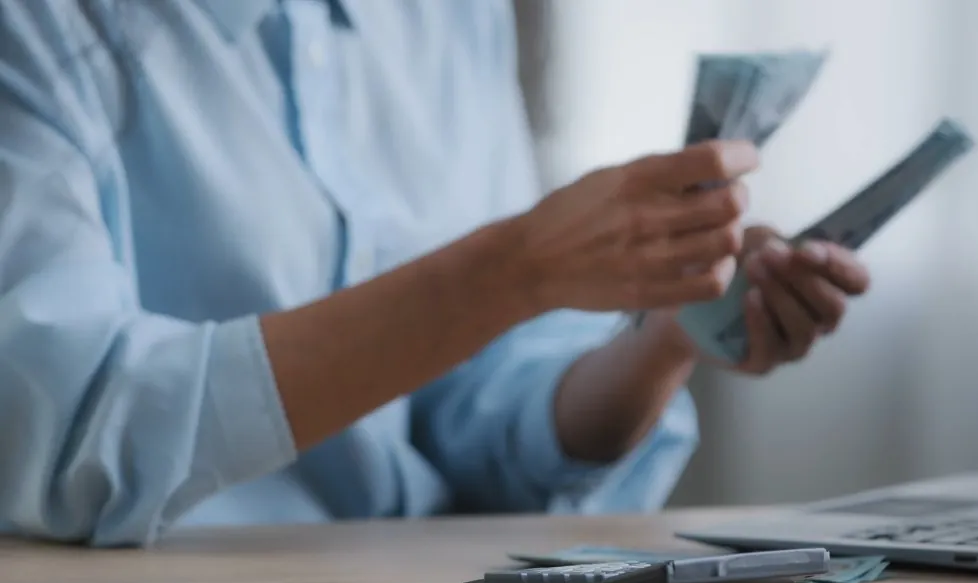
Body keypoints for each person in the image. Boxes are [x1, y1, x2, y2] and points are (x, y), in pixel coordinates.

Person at [0, 0, 870, 547]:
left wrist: (660, 332)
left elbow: (474, 410)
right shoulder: (39, 28)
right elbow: (69, 444)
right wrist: (507, 272)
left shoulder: (450, 16)